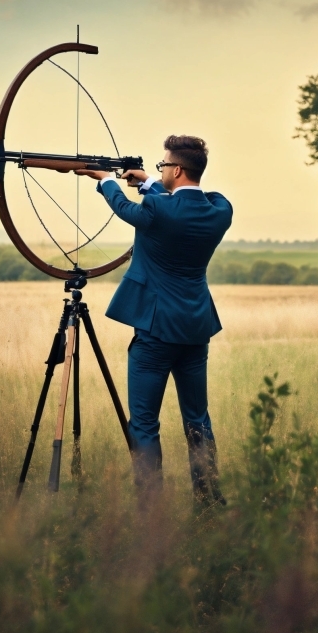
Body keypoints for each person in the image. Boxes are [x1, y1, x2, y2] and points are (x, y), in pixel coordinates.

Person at [76, 134, 233, 505]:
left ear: (177, 169)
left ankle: (151, 510)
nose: (160, 171)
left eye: (163, 166)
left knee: (144, 423)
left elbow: (128, 208)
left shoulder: (156, 211)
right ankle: (210, 500)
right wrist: (148, 181)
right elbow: (174, 205)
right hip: (196, 328)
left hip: (155, 332)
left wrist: (106, 181)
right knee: (198, 419)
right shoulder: (220, 209)